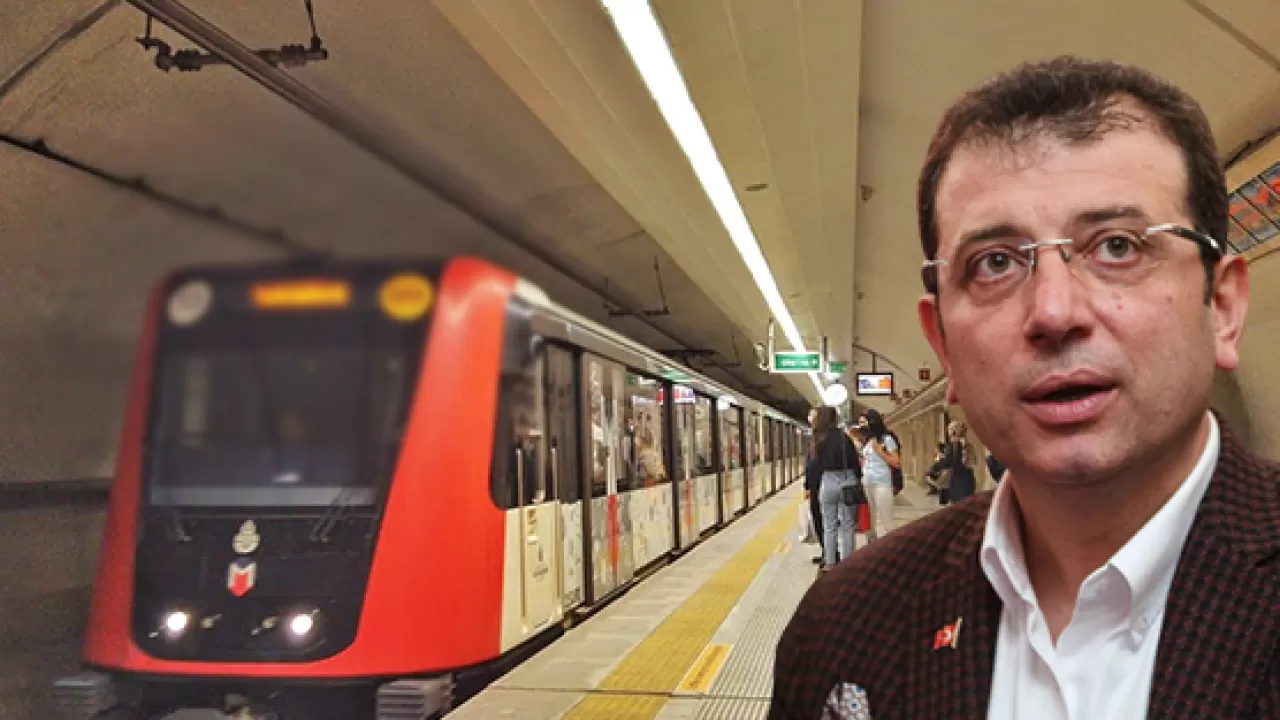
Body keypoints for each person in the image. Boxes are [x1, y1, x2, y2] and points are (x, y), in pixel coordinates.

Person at [769, 56, 1277, 719]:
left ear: (1223, 308)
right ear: (942, 344)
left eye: (1117, 247)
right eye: (995, 263)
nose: (1054, 312)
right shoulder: (845, 624)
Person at [811, 406, 862, 571]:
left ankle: (830, 563)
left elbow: (815, 465)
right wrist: (858, 478)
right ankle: (848, 564)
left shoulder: (818, 438)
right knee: (848, 525)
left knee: (829, 525)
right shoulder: (844, 437)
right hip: (847, 480)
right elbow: (854, 461)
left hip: (827, 481)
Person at [853, 409, 900, 542]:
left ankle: (894, 546)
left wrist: (880, 452)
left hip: (882, 483)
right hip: (867, 483)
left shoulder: (887, 439)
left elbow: (896, 462)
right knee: (869, 522)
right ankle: (872, 545)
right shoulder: (868, 440)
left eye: (864, 422)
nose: (861, 425)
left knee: (887, 521)